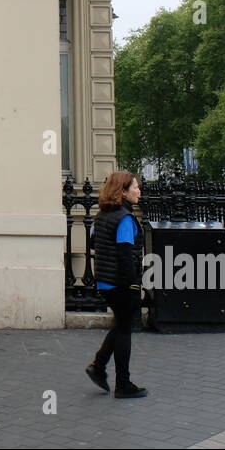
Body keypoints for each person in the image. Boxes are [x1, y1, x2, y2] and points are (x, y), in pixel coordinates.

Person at [85, 170, 147, 399]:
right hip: (122, 283)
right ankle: (123, 384)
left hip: (105, 281)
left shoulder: (101, 216)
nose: (139, 191)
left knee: (121, 323)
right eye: (135, 187)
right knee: (124, 329)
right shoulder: (124, 218)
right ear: (123, 191)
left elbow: (95, 244)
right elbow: (125, 254)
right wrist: (133, 285)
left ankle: (98, 366)